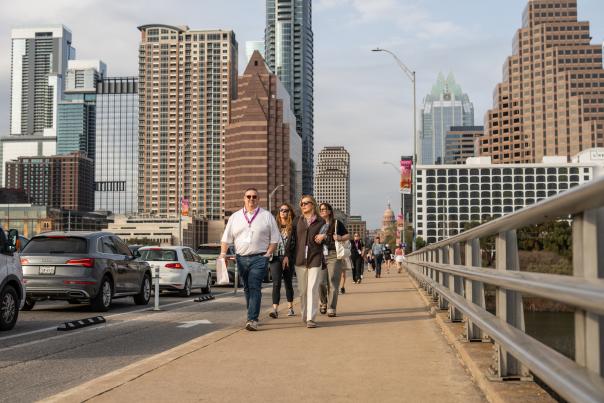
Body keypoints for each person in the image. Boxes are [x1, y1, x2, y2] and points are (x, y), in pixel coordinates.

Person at [220, 188, 280, 331]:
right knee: (247, 288)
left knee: (254, 287)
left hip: (259, 258)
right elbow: (226, 238)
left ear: (258, 199)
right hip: (241, 258)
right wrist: (223, 254)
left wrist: (267, 254)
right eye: (248, 196)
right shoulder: (235, 217)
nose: (251, 199)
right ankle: (251, 313)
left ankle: (252, 319)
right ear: (244, 198)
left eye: (254, 197)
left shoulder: (267, 216)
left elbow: (275, 239)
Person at [293, 195, 325, 328]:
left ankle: (311, 318)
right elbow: (292, 240)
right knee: (302, 290)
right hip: (300, 258)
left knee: (312, 288)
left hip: (315, 257)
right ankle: (305, 314)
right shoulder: (297, 220)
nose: (303, 205)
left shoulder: (321, 222)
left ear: (313, 204)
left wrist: (325, 236)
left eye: (306, 203)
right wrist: (288, 256)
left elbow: (328, 241)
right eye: (302, 204)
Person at [316, 202, 350, 317]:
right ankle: (323, 302)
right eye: (321, 209)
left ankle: (331, 307)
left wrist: (339, 237)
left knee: (333, 282)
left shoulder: (336, 223)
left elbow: (347, 236)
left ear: (330, 211)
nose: (322, 211)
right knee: (320, 282)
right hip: (320, 255)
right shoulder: (317, 224)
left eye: (325, 209)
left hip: (333, 254)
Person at [269, 203, 296, 318]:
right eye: (281, 210)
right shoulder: (274, 226)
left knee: (288, 283)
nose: (283, 212)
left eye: (286, 210)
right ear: (279, 213)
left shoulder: (293, 227)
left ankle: (290, 307)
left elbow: (295, 244)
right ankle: (275, 309)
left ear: (289, 212)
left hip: (288, 258)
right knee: (276, 283)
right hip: (275, 258)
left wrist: (287, 256)